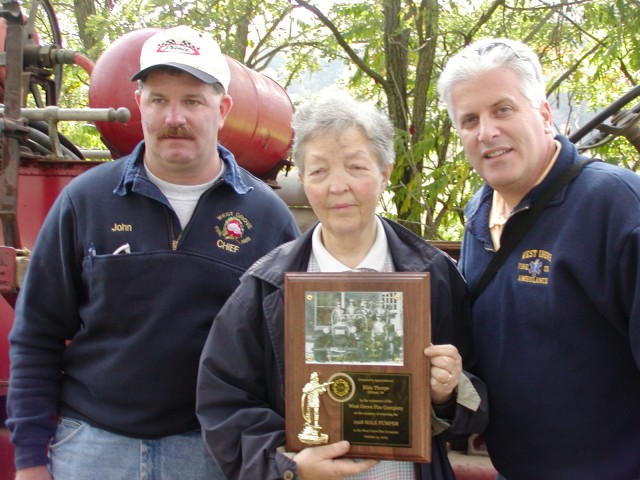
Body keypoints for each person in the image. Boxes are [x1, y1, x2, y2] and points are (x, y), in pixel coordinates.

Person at [6, 25, 299, 480]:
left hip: (213, 452)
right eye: (159, 99)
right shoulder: (85, 201)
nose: (174, 117)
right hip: (92, 449)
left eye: (193, 101)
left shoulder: (268, 217)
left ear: (222, 110)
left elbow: (285, 355)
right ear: (139, 103)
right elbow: (36, 333)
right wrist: (28, 460)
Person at [196, 92, 488, 479]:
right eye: (319, 172)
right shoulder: (265, 287)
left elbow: (479, 394)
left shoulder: (434, 275)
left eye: (356, 167)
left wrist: (446, 394)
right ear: (302, 180)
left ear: (385, 172)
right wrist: (288, 468)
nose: (338, 187)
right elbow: (224, 404)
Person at [437, 38, 640, 480]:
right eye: (469, 119)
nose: (486, 131)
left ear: (544, 114)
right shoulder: (477, 213)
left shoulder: (617, 207)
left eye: (502, 109)